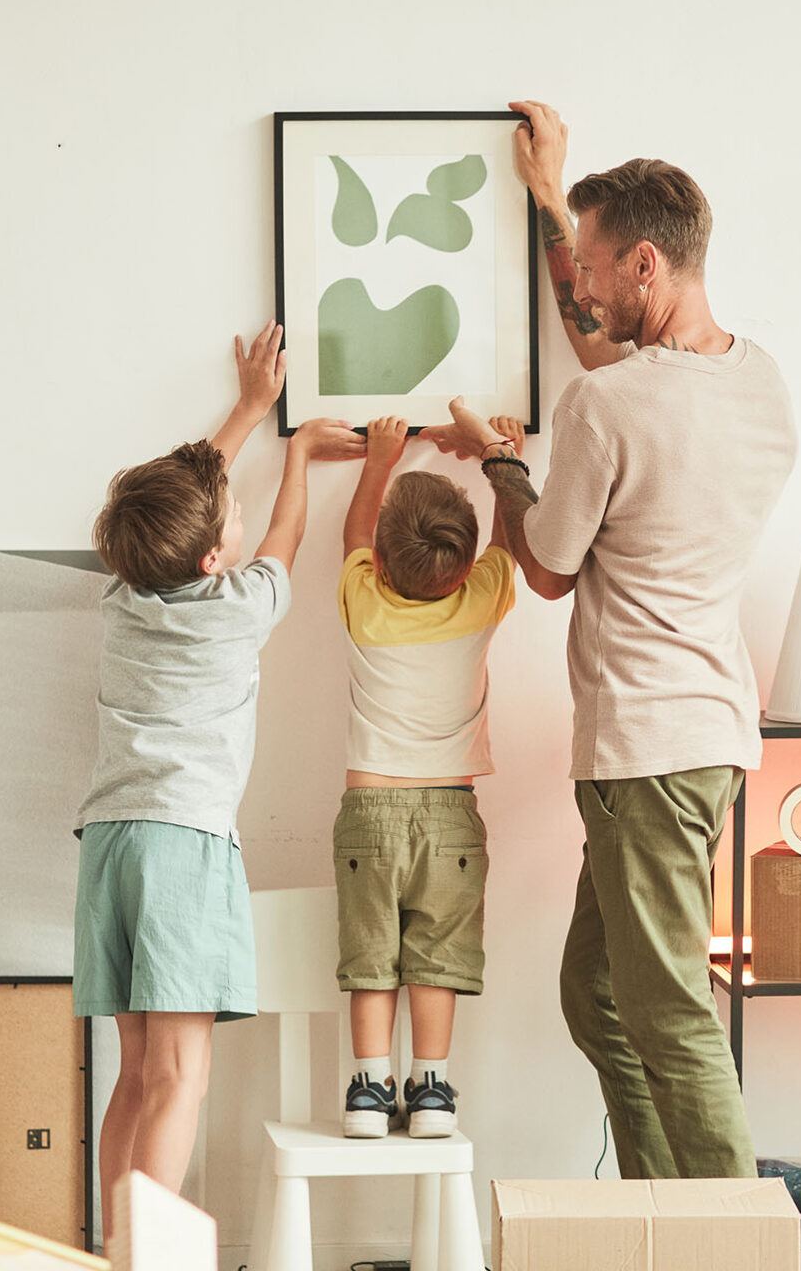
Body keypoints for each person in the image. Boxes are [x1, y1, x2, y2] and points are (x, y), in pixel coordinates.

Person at [422, 102, 797, 1178]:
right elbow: (614, 366)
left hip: (645, 749)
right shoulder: (760, 381)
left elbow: (546, 567)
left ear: (644, 263)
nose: (580, 288)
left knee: (670, 1013)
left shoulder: (606, 408)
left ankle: (728, 1237)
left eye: (591, 267)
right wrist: (551, 194)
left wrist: (500, 463)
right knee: (597, 992)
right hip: (708, 737)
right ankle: (660, 1209)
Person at [73, 322, 361, 1232]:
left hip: (108, 844)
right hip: (182, 845)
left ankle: (117, 1247)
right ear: (210, 560)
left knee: (135, 1076)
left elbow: (188, 502)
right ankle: (149, 1256)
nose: (238, 511)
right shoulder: (241, 605)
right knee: (181, 1078)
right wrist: (298, 454)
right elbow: (287, 532)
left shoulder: (123, 597)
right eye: (227, 513)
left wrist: (247, 409)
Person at [333, 413, 527, 1138]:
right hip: (450, 813)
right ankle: (433, 1090)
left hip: (369, 810)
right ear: (464, 565)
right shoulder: (481, 599)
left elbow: (354, 535)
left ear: (382, 565)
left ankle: (368, 1088)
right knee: (436, 957)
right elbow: (509, 543)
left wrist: (379, 460)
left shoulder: (364, 602)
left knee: (371, 955)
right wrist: (506, 461)